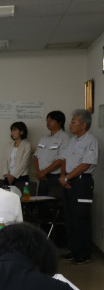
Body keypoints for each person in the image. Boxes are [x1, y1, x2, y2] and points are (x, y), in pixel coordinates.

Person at [58, 109, 98, 265]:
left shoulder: (91, 140)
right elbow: (65, 160)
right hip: (68, 181)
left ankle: (83, 254)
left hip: (82, 182)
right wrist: (63, 177)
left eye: (74, 121)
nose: (70, 124)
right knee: (70, 217)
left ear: (84, 125)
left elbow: (86, 163)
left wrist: (67, 177)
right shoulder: (73, 140)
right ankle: (73, 250)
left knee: (81, 218)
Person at [34, 110, 69, 197]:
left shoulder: (65, 138)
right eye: (47, 120)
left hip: (55, 177)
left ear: (59, 122)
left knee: (54, 204)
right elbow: (35, 156)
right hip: (42, 177)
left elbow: (61, 159)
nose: (48, 122)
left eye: (51, 120)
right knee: (41, 203)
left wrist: (44, 172)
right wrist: (39, 172)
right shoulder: (43, 138)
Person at [2, 121, 32, 187]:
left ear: (21, 132)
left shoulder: (27, 145)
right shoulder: (8, 145)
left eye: (15, 130)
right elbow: (5, 161)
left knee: (20, 196)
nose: (13, 132)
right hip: (8, 177)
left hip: (21, 177)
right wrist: (7, 174)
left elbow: (25, 162)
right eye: (12, 130)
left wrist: (14, 176)